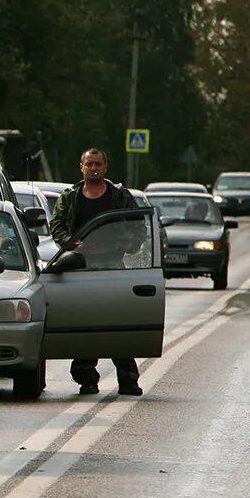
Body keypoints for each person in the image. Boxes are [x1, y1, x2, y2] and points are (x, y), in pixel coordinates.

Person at [48, 147, 144, 396]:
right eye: (89, 164)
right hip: (80, 267)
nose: (93, 168)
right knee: (86, 322)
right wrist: (70, 242)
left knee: (118, 322)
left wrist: (129, 244)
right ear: (81, 166)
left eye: (98, 164)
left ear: (105, 167)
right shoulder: (70, 198)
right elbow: (56, 226)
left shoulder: (120, 196)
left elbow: (138, 225)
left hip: (114, 267)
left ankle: (128, 380)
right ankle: (86, 378)